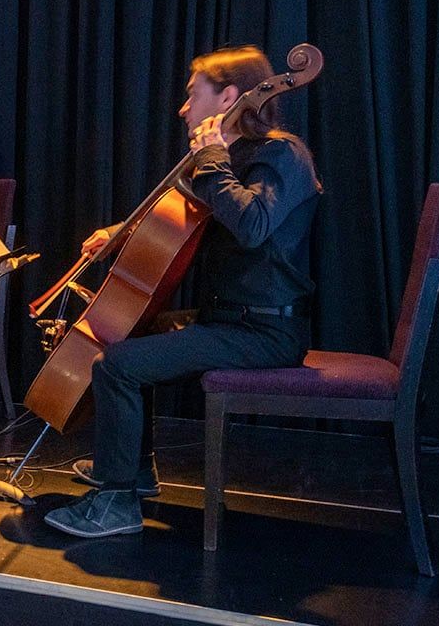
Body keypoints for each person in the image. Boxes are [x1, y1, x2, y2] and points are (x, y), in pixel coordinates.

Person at [44, 45, 322, 538]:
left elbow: (253, 224)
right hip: (230, 319)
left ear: (229, 97)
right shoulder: (230, 159)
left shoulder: (283, 154)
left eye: (193, 95)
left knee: (118, 365)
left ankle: (114, 503)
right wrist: (123, 232)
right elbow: (185, 224)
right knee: (138, 334)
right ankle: (134, 472)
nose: (182, 108)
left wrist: (211, 159)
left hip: (265, 329)